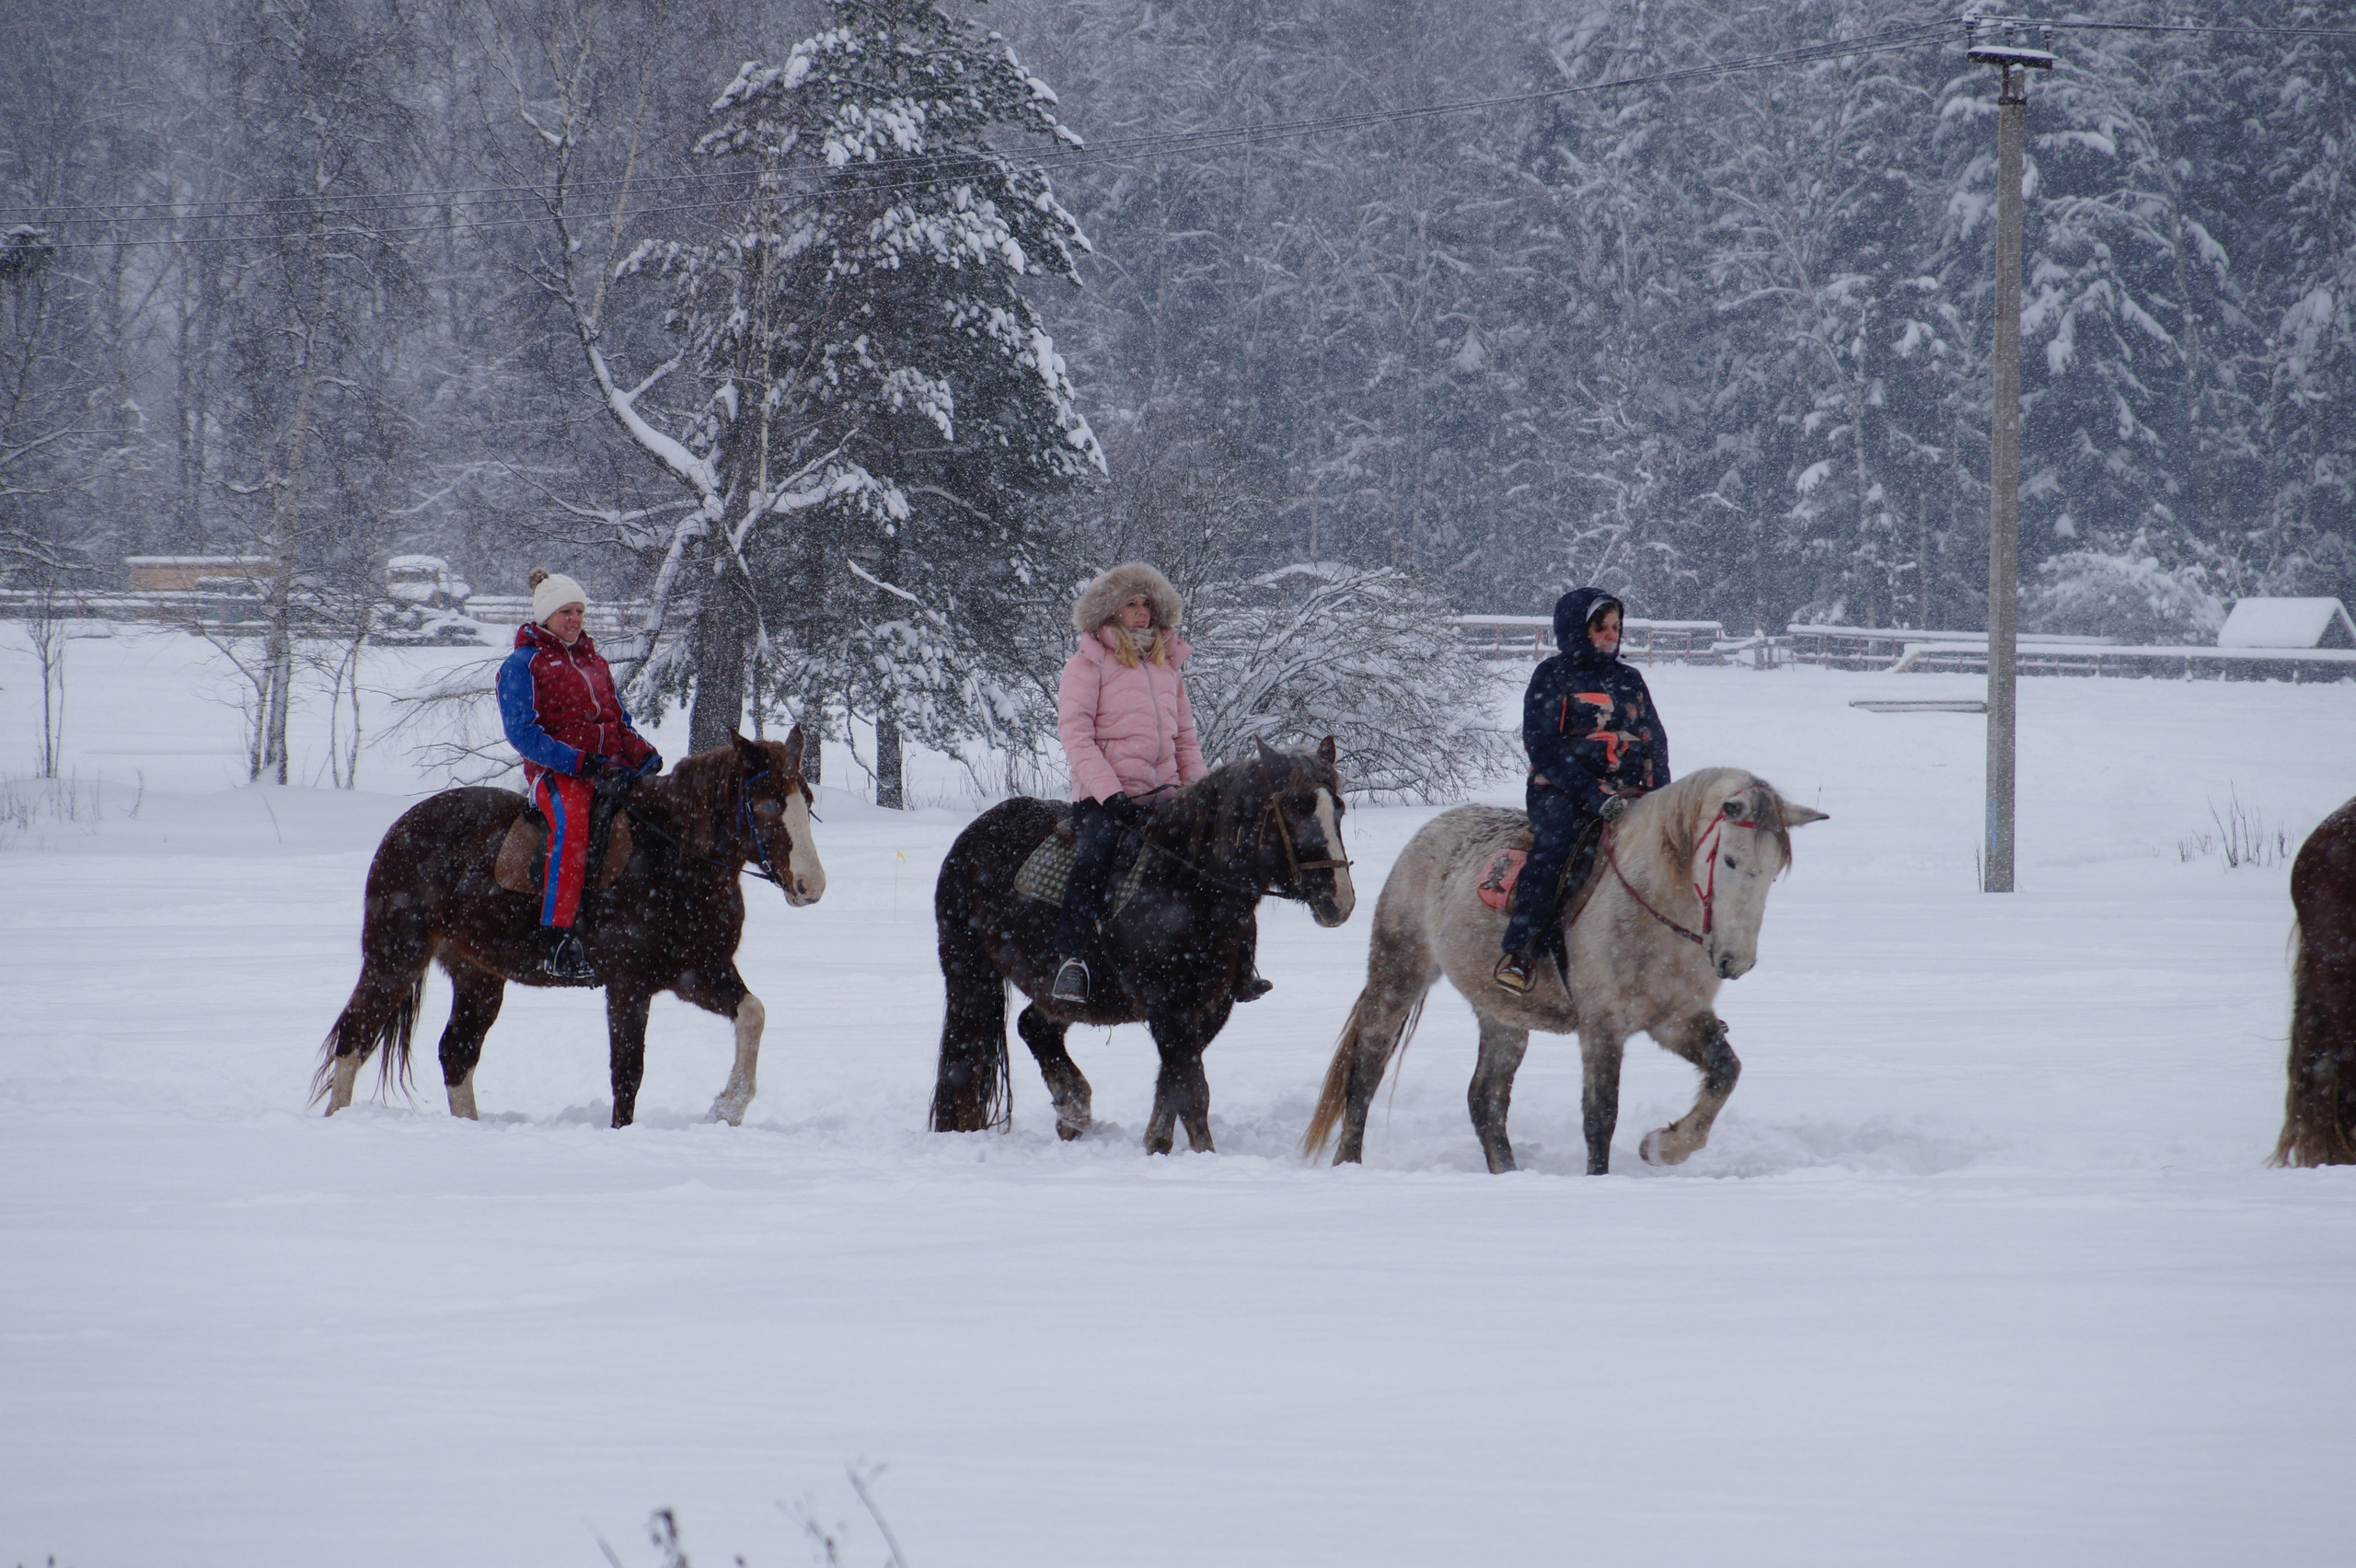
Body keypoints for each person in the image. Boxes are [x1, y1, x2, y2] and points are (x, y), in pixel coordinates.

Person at [1494, 586, 1671, 994]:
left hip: (1629, 793)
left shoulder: (1631, 679)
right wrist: (1592, 793)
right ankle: (1523, 950)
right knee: (1558, 847)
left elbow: (1654, 743)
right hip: (1562, 790)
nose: (1612, 635)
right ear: (1576, 630)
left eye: (1616, 627)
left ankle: (1681, 967)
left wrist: (1661, 798)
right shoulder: (1553, 676)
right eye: (1601, 628)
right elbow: (1543, 746)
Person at [1050, 562, 1208, 1003]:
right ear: (1110, 610)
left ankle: (1229, 959)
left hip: (1167, 794)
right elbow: (1076, 737)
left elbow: (1185, 740)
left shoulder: (1166, 666)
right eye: (1131, 604)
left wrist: (1203, 793)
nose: (1142, 612)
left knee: (1212, 857)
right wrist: (1111, 795)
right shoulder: (1086, 665)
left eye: (1147, 604)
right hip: (1106, 799)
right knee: (1095, 856)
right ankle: (1073, 960)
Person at [497, 568, 662, 982]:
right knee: (573, 829)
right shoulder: (523, 664)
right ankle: (558, 939)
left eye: (580, 611)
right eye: (566, 611)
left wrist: (644, 757)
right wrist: (576, 762)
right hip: (556, 773)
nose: (575, 619)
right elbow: (522, 732)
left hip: (609, 769)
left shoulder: (596, 662)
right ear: (545, 616)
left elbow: (618, 722)